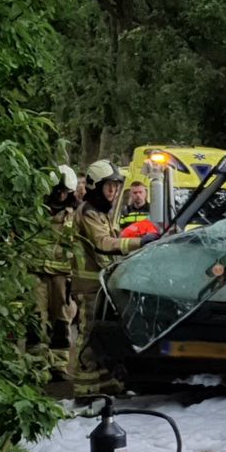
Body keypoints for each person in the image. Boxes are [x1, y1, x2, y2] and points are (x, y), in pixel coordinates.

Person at [71, 159, 158, 394]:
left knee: (101, 333)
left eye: (116, 185)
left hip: (100, 283)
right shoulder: (88, 212)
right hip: (88, 284)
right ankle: (84, 388)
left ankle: (103, 380)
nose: (113, 190)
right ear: (95, 186)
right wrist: (140, 242)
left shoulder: (101, 211)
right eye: (108, 185)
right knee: (88, 333)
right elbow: (103, 243)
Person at [32, 164, 80, 382]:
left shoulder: (75, 214)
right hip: (35, 273)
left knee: (61, 321)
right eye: (57, 191)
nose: (60, 195)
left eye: (64, 192)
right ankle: (34, 365)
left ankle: (58, 365)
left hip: (62, 277)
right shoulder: (34, 211)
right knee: (34, 318)